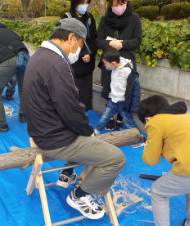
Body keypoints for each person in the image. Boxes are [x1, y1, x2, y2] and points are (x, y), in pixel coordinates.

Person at [23, 18, 126, 220]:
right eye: (80, 45)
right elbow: (70, 108)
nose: (80, 51)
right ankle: (79, 195)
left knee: (86, 135)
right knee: (116, 159)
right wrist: (89, 130)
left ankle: (67, 173)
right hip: (54, 139)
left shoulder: (39, 56)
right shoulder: (56, 64)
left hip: (42, 130)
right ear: (71, 37)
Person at [137, 95, 190, 226]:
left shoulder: (156, 121)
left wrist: (150, 144)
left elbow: (151, 160)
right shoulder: (185, 117)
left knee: (158, 191)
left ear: (147, 118)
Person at [97, 0, 142, 130]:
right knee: (108, 88)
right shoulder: (105, 19)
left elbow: (138, 40)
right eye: (115, 5)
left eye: (120, 4)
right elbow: (98, 40)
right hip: (109, 60)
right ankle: (110, 117)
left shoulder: (134, 18)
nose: (118, 7)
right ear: (110, 5)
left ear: (126, 3)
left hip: (126, 61)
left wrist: (122, 44)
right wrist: (110, 43)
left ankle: (121, 118)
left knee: (125, 90)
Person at [94, 47, 140, 135]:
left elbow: (136, 91)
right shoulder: (113, 67)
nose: (105, 66)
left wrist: (134, 107)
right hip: (113, 101)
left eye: (106, 64)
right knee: (104, 118)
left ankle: (140, 138)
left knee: (130, 123)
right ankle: (97, 131)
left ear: (113, 63)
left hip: (123, 104)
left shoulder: (128, 71)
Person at [62, 0, 97, 111]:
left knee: (86, 93)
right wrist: (81, 53)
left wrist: (90, 54)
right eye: (82, 2)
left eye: (87, 2)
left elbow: (94, 38)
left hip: (87, 62)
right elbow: (65, 39)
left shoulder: (90, 18)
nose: (84, 5)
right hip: (74, 61)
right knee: (73, 91)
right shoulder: (67, 17)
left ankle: (84, 113)